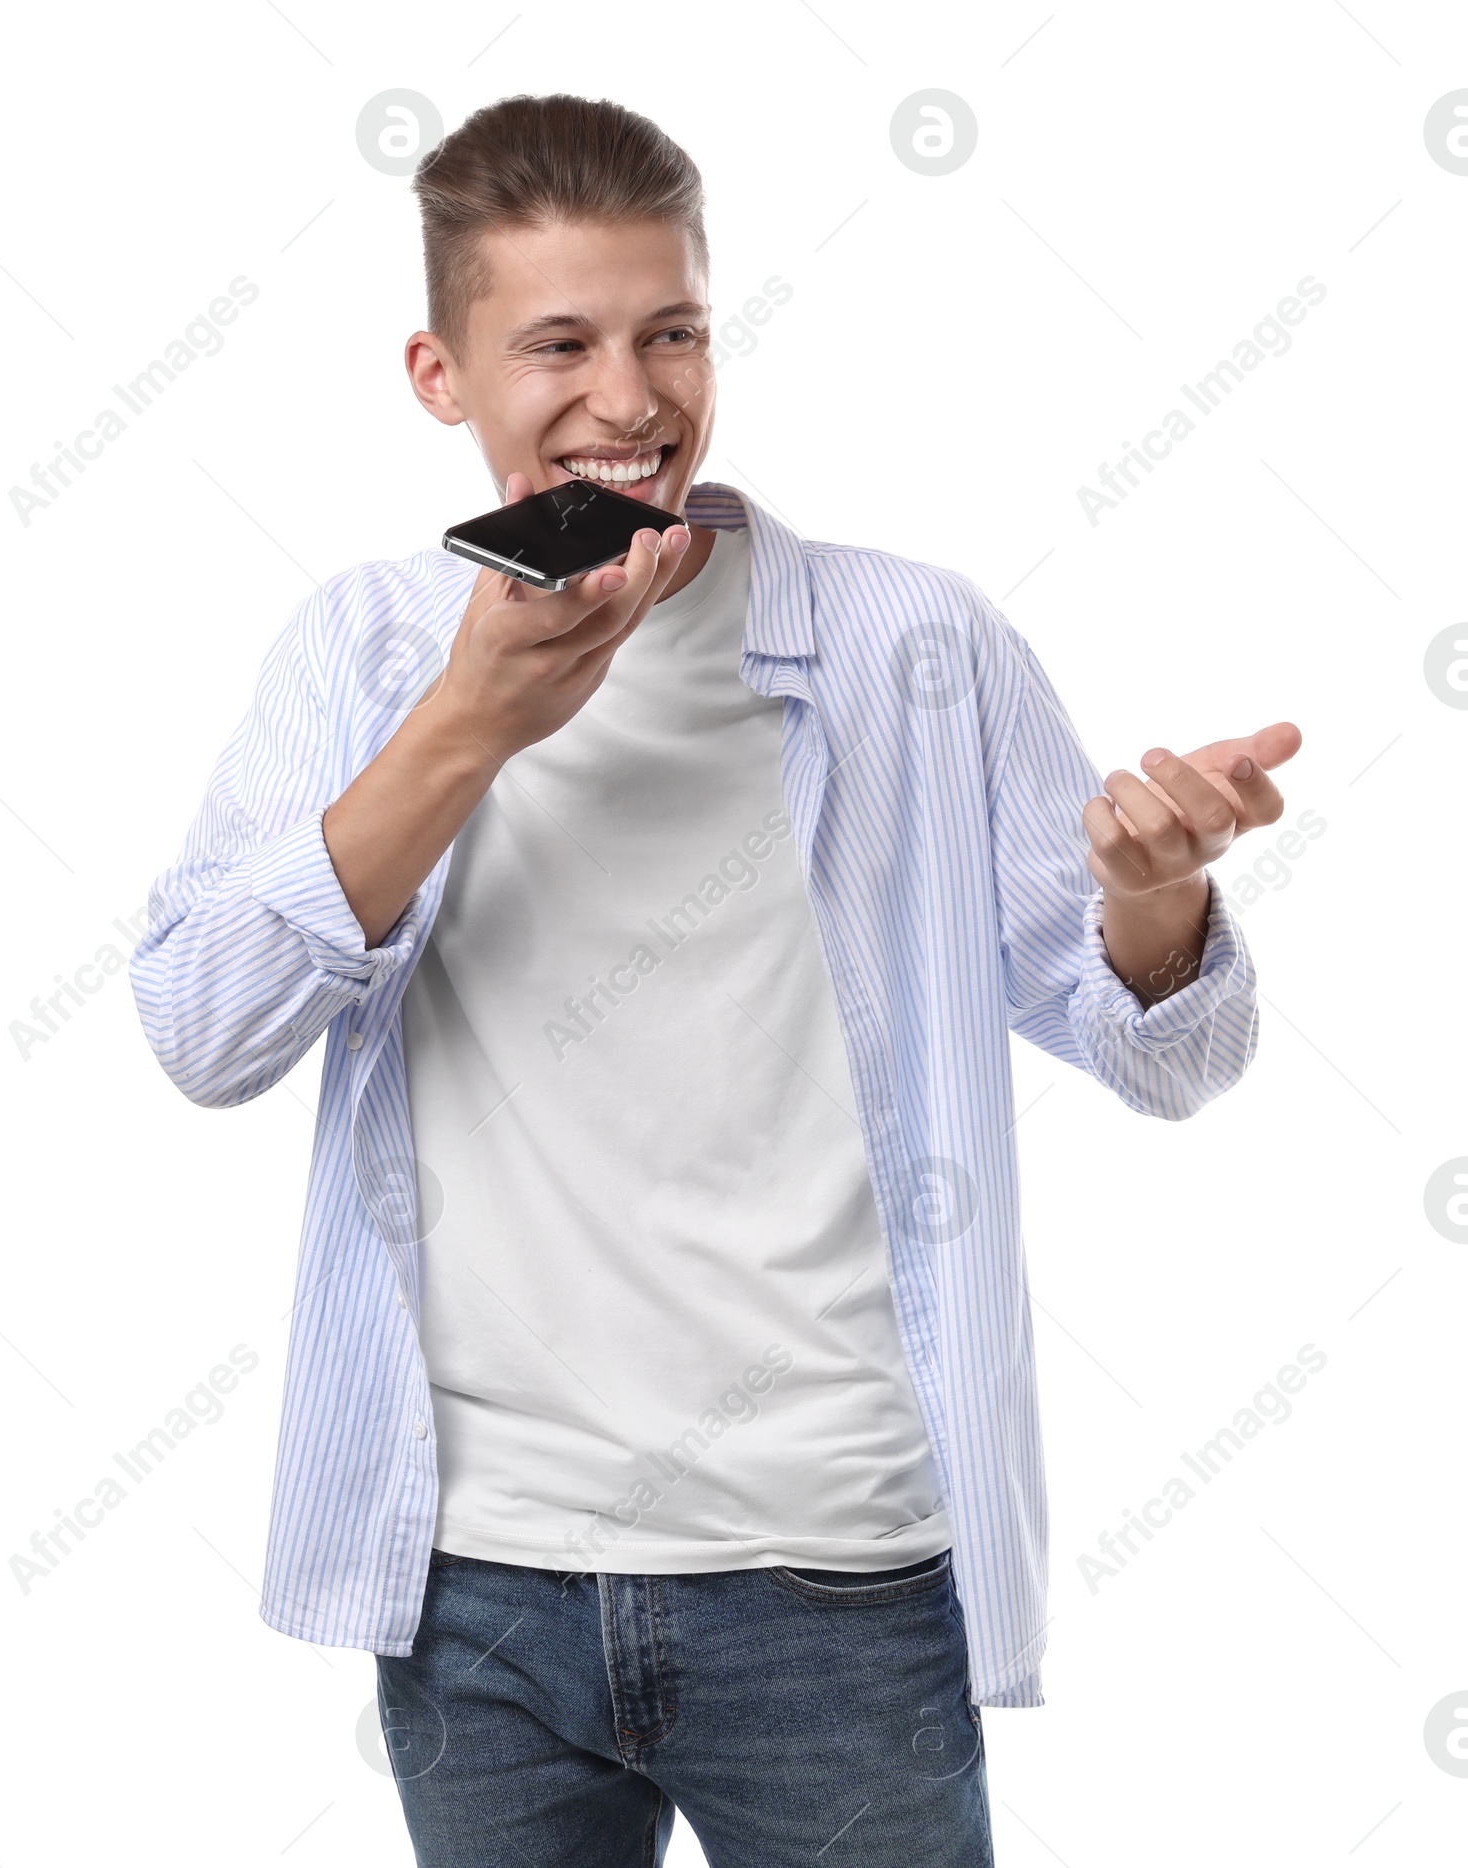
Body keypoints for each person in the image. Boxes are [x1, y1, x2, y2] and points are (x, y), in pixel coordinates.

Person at [130, 92, 1299, 1867]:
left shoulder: (913, 640)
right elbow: (201, 1029)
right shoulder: (368, 649)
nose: (630, 399)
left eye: (670, 330)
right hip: (479, 1595)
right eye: (561, 344)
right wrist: (467, 730)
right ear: (442, 377)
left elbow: (1164, 1054)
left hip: (837, 1580)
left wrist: (1155, 902)